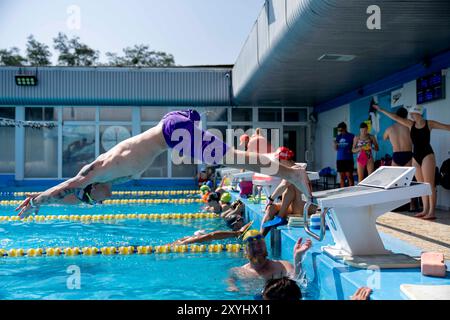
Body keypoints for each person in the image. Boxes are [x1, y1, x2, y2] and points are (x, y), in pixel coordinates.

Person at [15, 109, 312, 218]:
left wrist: (38, 198)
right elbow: (74, 199)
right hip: (173, 126)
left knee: (232, 158)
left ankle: (292, 173)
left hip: (172, 131)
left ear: (93, 188)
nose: (101, 203)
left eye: (95, 201)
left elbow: (71, 186)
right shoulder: (113, 179)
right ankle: (282, 167)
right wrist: (48, 205)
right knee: (229, 158)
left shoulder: (98, 169)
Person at [374, 104, 450, 220]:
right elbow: (395, 117)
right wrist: (381, 109)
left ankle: (431, 212)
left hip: (427, 155)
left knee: (429, 185)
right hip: (415, 157)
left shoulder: (429, 123)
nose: (411, 116)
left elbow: (447, 127)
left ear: (418, 114)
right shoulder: (410, 124)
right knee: (422, 186)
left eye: (413, 114)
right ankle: (425, 210)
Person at [226, 230, 312, 292]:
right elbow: (229, 280)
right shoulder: (238, 271)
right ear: (245, 251)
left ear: (266, 247)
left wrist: (297, 257)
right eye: (252, 245)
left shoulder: (283, 266)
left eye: (260, 244)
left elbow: (299, 283)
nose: (256, 248)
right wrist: (232, 286)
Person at [260, 147, 309, 236]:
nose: (278, 163)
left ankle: (280, 216)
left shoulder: (296, 169)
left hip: (300, 207)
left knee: (289, 187)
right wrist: (270, 203)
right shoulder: (291, 170)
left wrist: (271, 199)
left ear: (283, 159)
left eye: (278, 160)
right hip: (292, 206)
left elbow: (283, 185)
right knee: (271, 208)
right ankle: (260, 236)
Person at [383, 107, 418, 212]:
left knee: (395, 182)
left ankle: (395, 205)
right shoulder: (410, 127)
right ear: (406, 115)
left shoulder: (390, 129)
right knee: (410, 182)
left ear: (396, 116)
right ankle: (412, 205)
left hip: (396, 155)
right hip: (408, 155)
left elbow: (384, 138)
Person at [170, 221, 253, 246]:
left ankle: (237, 233)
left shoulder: (184, 240)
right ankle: (237, 233)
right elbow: (212, 235)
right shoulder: (186, 242)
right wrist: (237, 233)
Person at [334, 122, 355, 187]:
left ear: (345, 128)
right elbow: (336, 149)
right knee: (342, 177)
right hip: (340, 159)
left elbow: (355, 147)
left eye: (342, 130)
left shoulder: (351, 136)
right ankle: (342, 192)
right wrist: (335, 144)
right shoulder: (338, 137)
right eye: (339, 130)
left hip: (348, 158)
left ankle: (351, 192)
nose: (341, 132)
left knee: (349, 176)